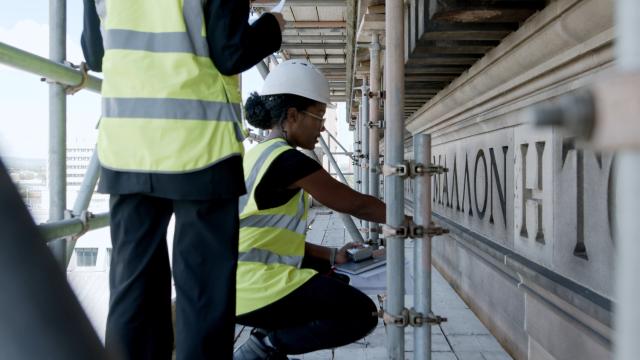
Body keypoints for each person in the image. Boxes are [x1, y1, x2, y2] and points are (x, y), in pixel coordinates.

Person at [80, 1, 284, 359]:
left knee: (133, 290)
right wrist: (272, 27)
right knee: (202, 292)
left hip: (128, 146)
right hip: (199, 146)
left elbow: (95, 54)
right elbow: (230, 52)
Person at [233, 60, 386, 360]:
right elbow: (355, 204)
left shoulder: (257, 156)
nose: (323, 126)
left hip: (240, 283)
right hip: (255, 285)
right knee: (360, 313)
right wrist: (412, 218)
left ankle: (266, 344)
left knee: (336, 286)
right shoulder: (286, 161)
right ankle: (263, 347)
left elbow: (271, 241)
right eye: (318, 116)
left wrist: (332, 256)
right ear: (292, 116)